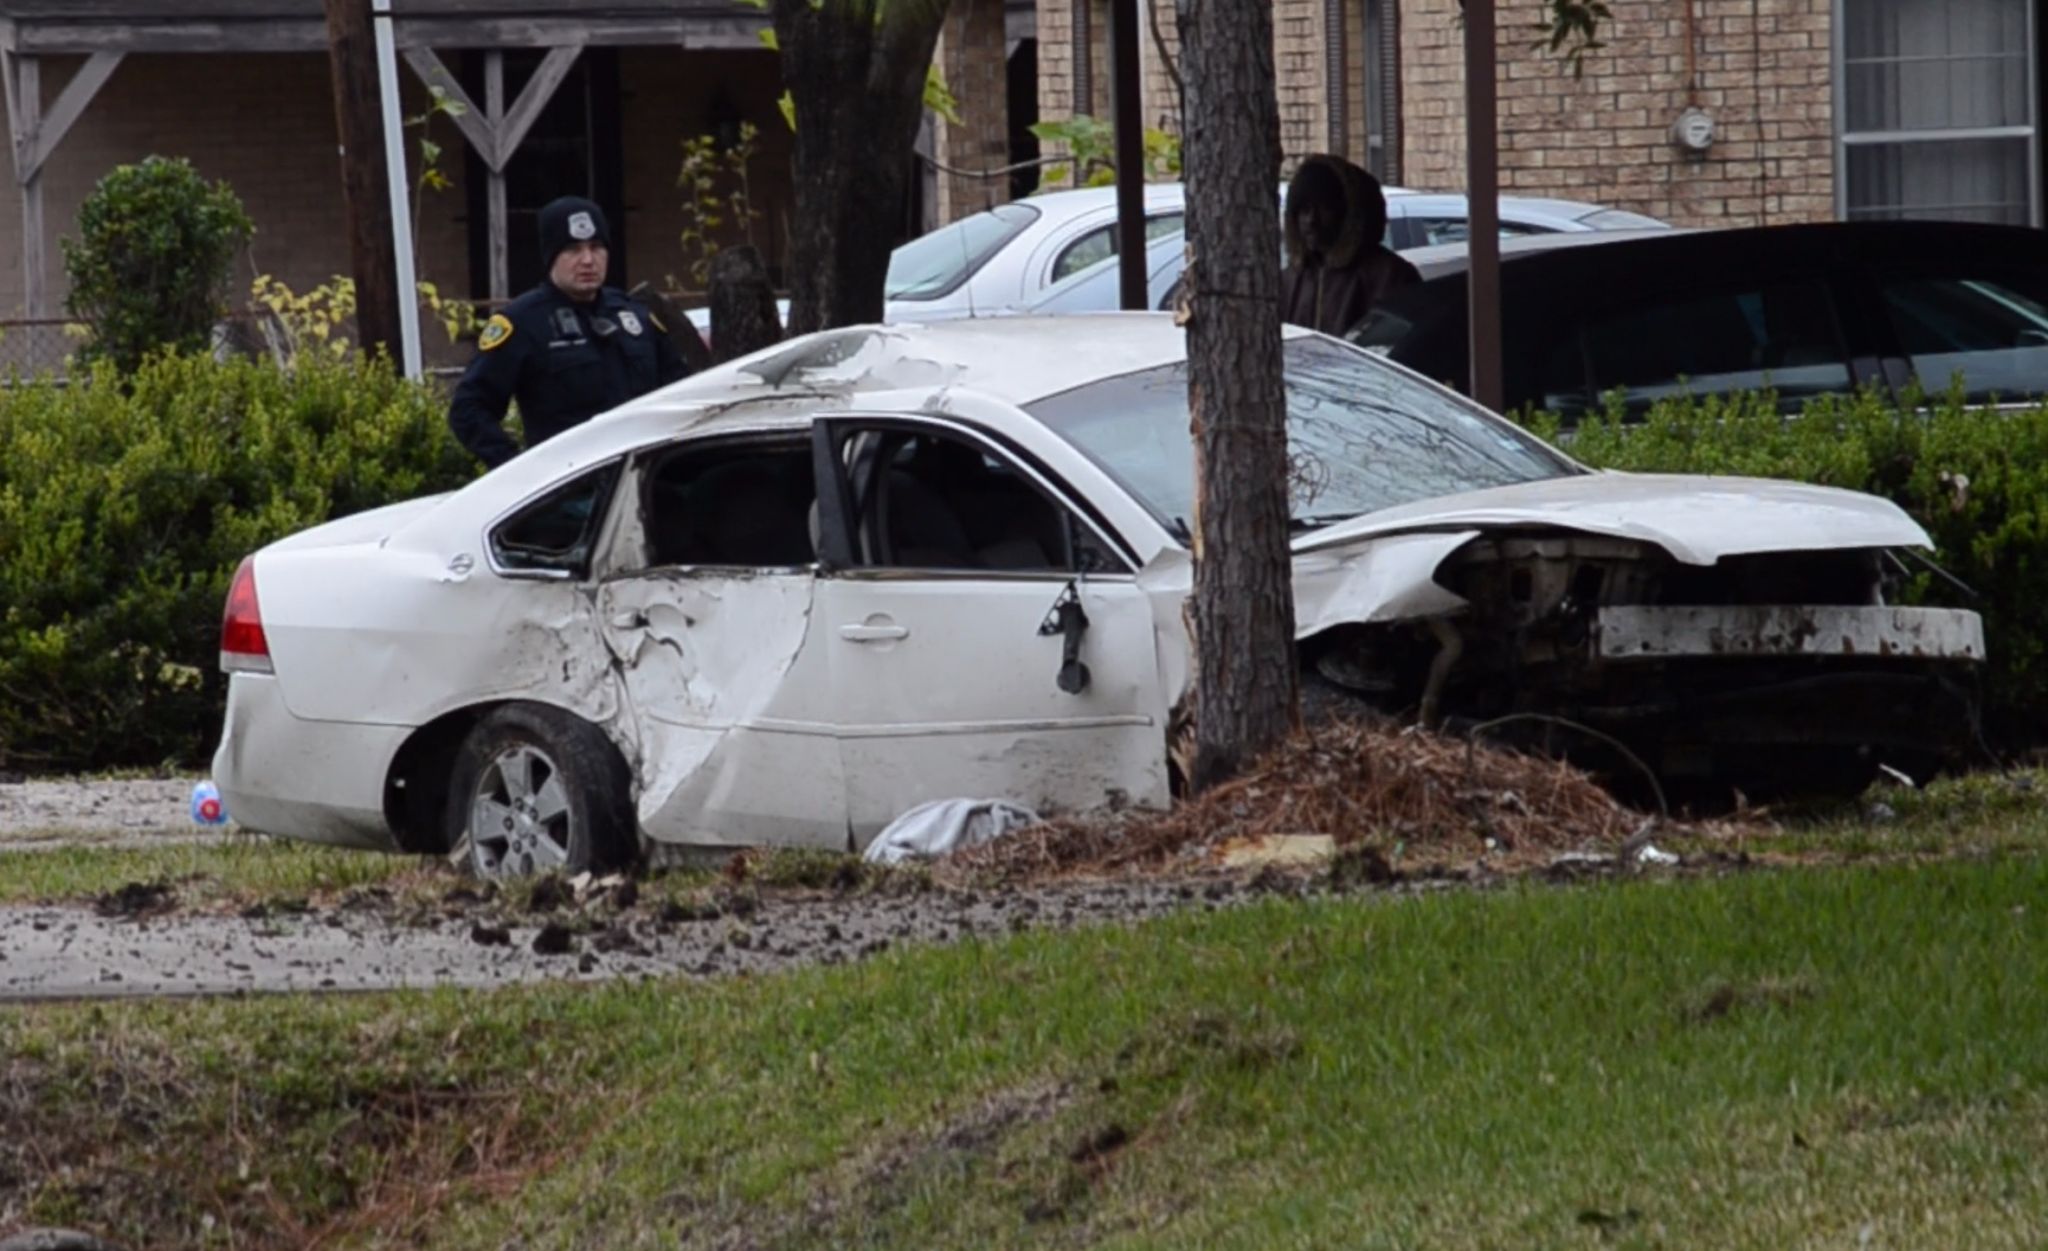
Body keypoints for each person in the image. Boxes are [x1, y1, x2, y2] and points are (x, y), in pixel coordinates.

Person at [449, 196, 690, 469]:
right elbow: (468, 410)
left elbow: (681, 393)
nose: (588, 260)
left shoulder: (633, 314)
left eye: (596, 247)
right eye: (573, 249)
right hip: (573, 490)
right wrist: (519, 469)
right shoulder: (522, 322)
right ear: (551, 257)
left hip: (644, 478)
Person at [1279, 154, 1421, 338]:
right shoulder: (1291, 280)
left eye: (1323, 209)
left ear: (1346, 214)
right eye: (1304, 210)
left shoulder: (1389, 277)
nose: (1311, 220)